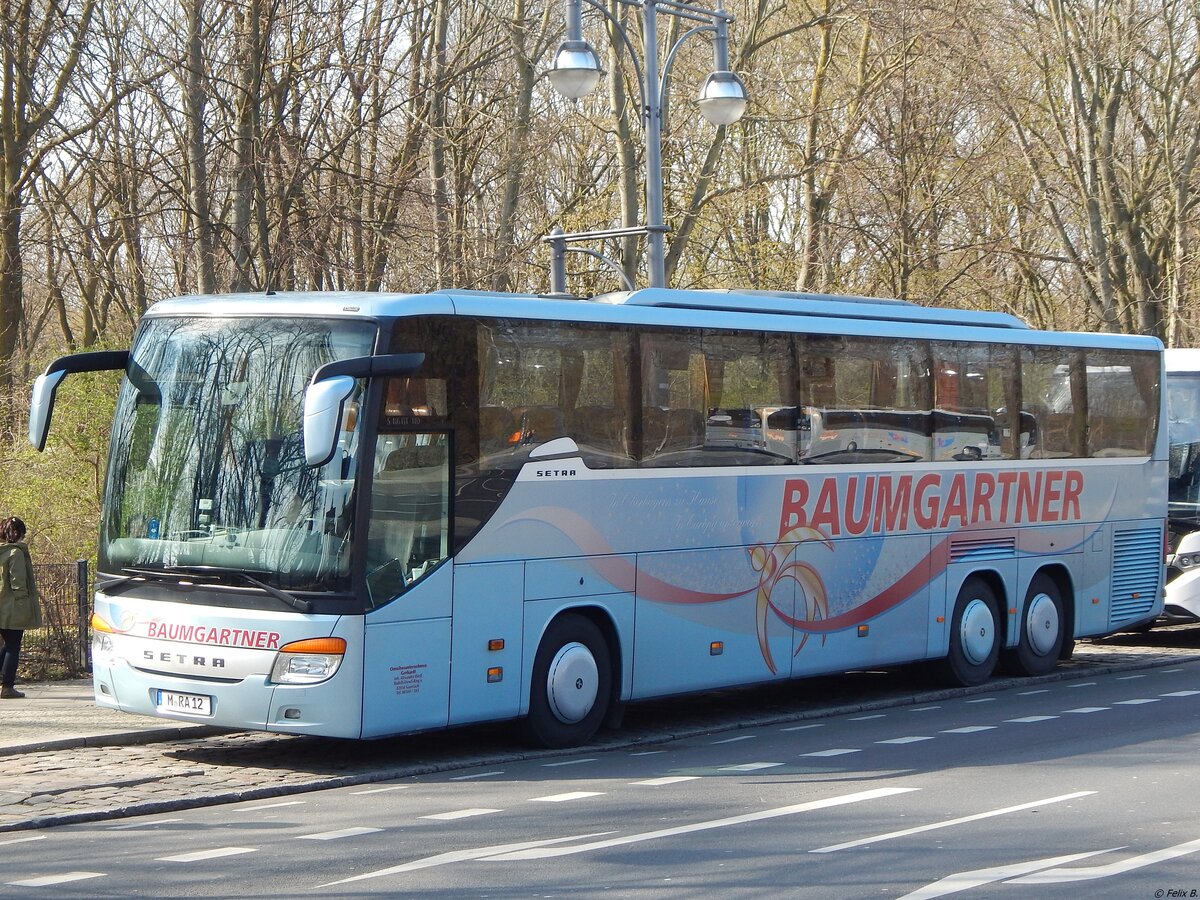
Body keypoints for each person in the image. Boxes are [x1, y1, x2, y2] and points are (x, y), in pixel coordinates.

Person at [0, 516, 41, 699]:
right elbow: (18, 583)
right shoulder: (15, 553)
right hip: (12, 607)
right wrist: (24, 604)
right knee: (13, 646)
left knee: (5, 645)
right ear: (17, 534)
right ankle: (7, 686)